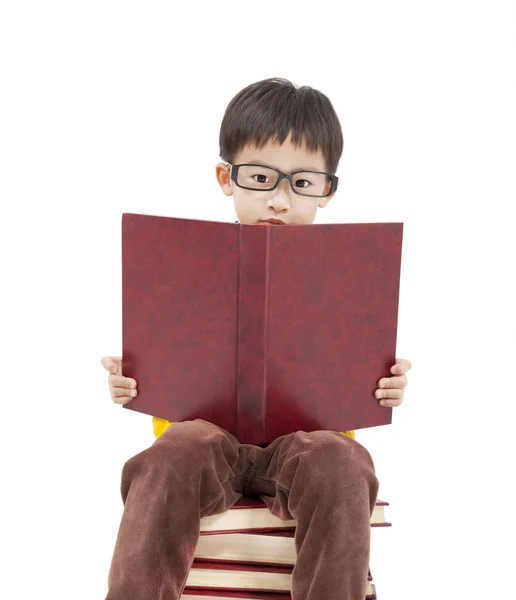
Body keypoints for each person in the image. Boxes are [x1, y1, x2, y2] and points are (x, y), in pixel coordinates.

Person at [101, 77, 412, 600]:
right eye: (262, 177)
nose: (280, 200)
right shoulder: (185, 262)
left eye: (303, 183)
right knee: (174, 452)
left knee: (340, 463)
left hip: (310, 446)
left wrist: (383, 384)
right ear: (227, 176)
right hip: (203, 439)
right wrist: (133, 379)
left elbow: (356, 376)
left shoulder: (348, 273)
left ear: (328, 189)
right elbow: (162, 357)